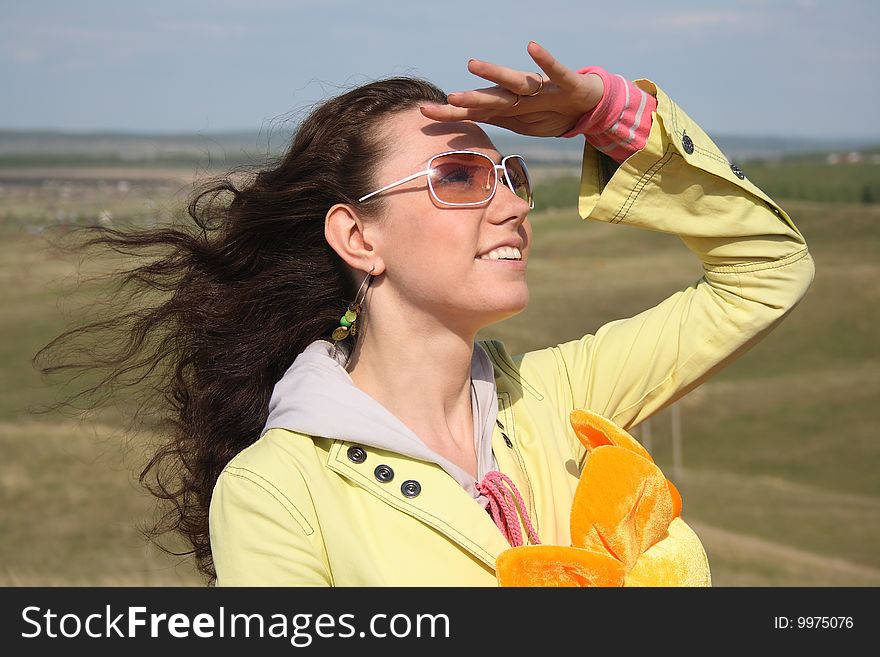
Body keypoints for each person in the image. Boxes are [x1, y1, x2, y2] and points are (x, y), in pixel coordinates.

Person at [38, 41, 813, 586]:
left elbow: (769, 270)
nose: (512, 204)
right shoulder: (279, 491)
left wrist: (608, 119)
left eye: (508, 174)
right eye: (460, 176)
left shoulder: (558, 399)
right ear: (357, 235)